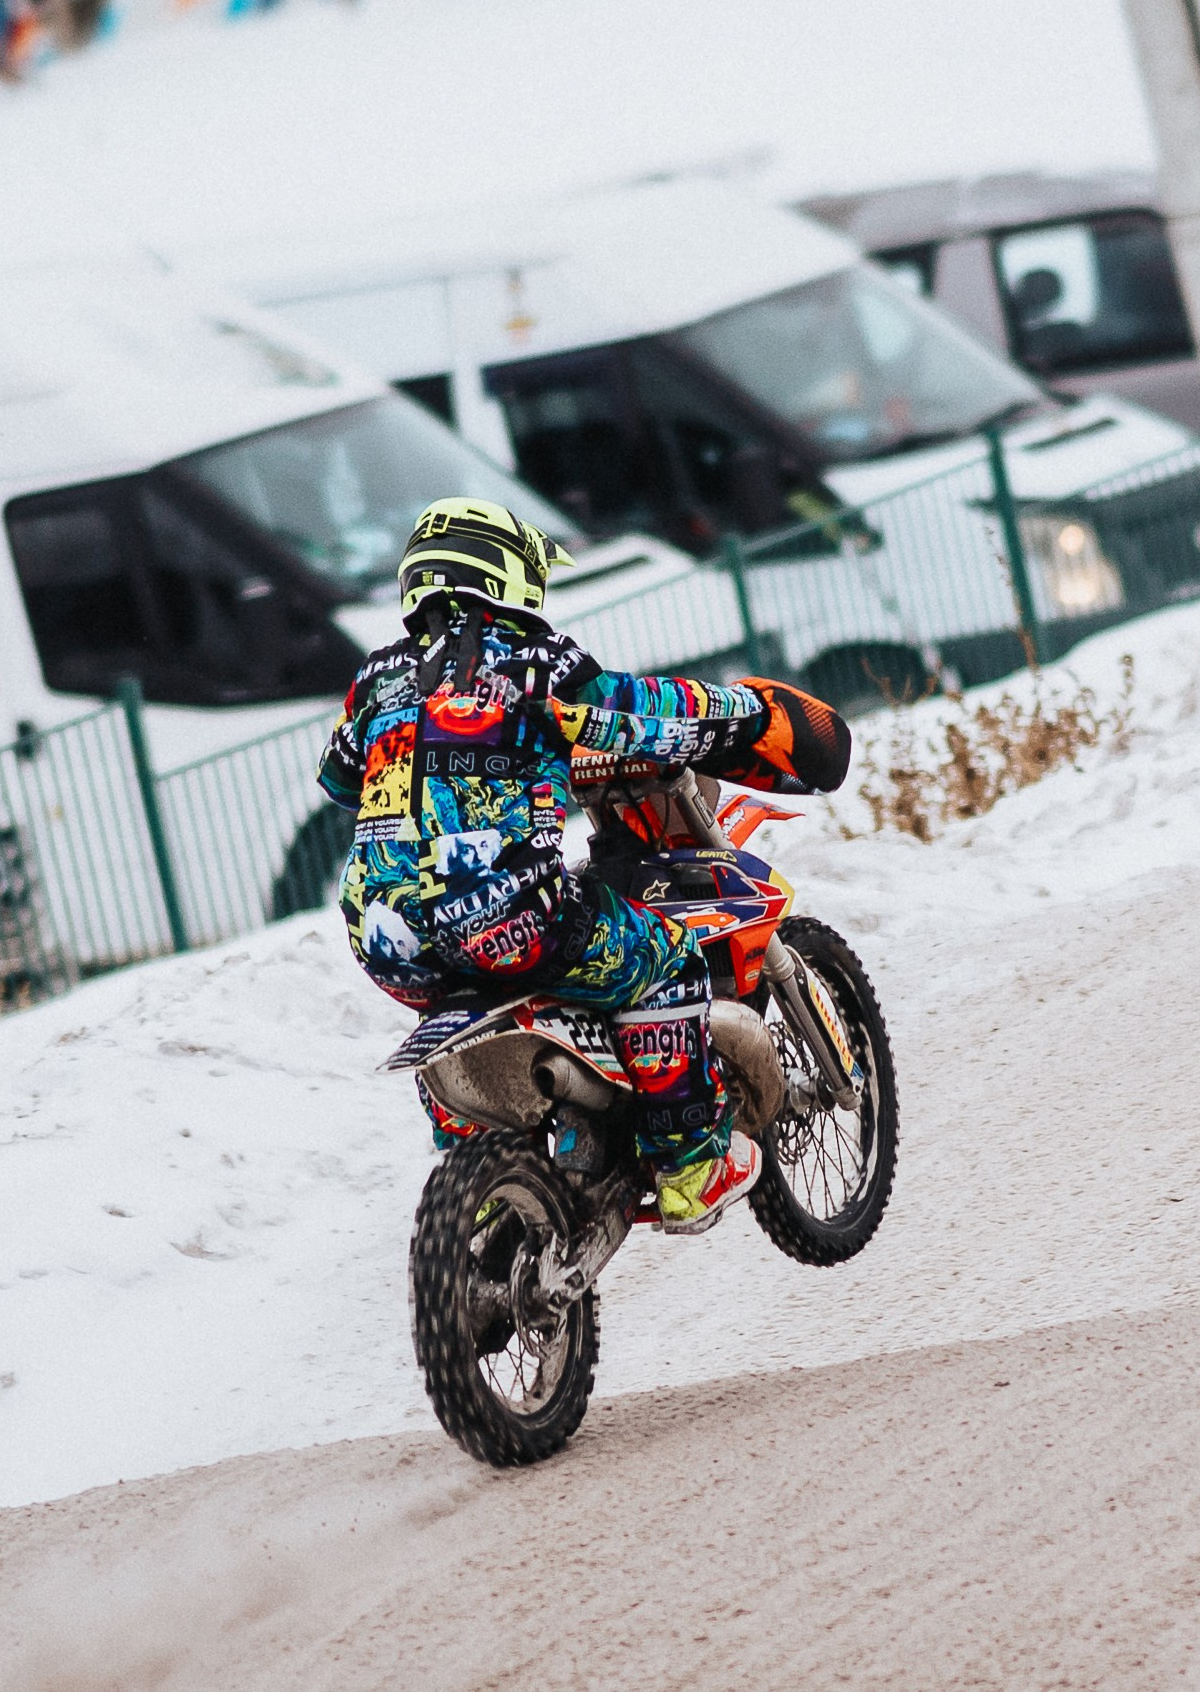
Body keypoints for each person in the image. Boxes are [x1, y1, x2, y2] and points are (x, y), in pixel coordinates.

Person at [317, 498, 850, 1234]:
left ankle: (484, 1178)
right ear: (503, 572)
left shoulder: (374, 680)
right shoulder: (539, 661)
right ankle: (690, 1166)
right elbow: (650, 714)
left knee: (454, 1005)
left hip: (382, 936)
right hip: (509, 916)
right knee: (667, 959)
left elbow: (340, 779)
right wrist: (751, 713)